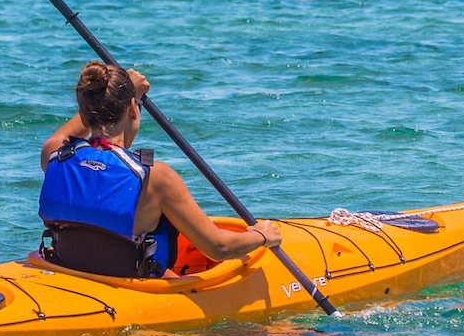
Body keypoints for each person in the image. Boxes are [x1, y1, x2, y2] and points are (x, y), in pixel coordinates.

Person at [37, 62, 282, 278]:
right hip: (132, 287)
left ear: (85, 113)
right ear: (133, 110)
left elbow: (66, 134)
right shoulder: (156, 178)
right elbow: (219, 248)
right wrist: (261, 235)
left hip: (67, 269)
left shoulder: (56, 155)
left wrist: (121, 97)